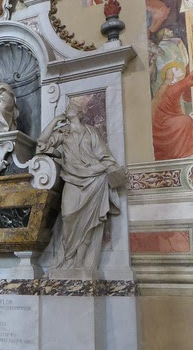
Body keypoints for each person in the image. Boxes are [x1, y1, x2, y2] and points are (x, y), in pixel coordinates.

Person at [37, 102, 126, 274]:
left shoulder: (91, 132)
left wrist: (115, 171)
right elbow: (42, 142)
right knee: (68, 216)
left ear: (79, 113)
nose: (67, 109)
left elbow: (104, 156)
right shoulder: (63, 132)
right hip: (72, 179)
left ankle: (80, 262)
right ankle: (68, 258)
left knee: (89, 222)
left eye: (70, 107)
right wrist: (55, 121)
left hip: (94, 179)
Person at [151, 50, 193, 160]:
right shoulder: (175, 87)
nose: (180, 69)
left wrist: (173, 57)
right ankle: (188, 150)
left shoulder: (168, 87)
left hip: (166, 119)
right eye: (176, 69)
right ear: (172, 76)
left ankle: (188, 149)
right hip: (165, 123)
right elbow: (190, 77)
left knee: (186, 119)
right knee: (186, 121)